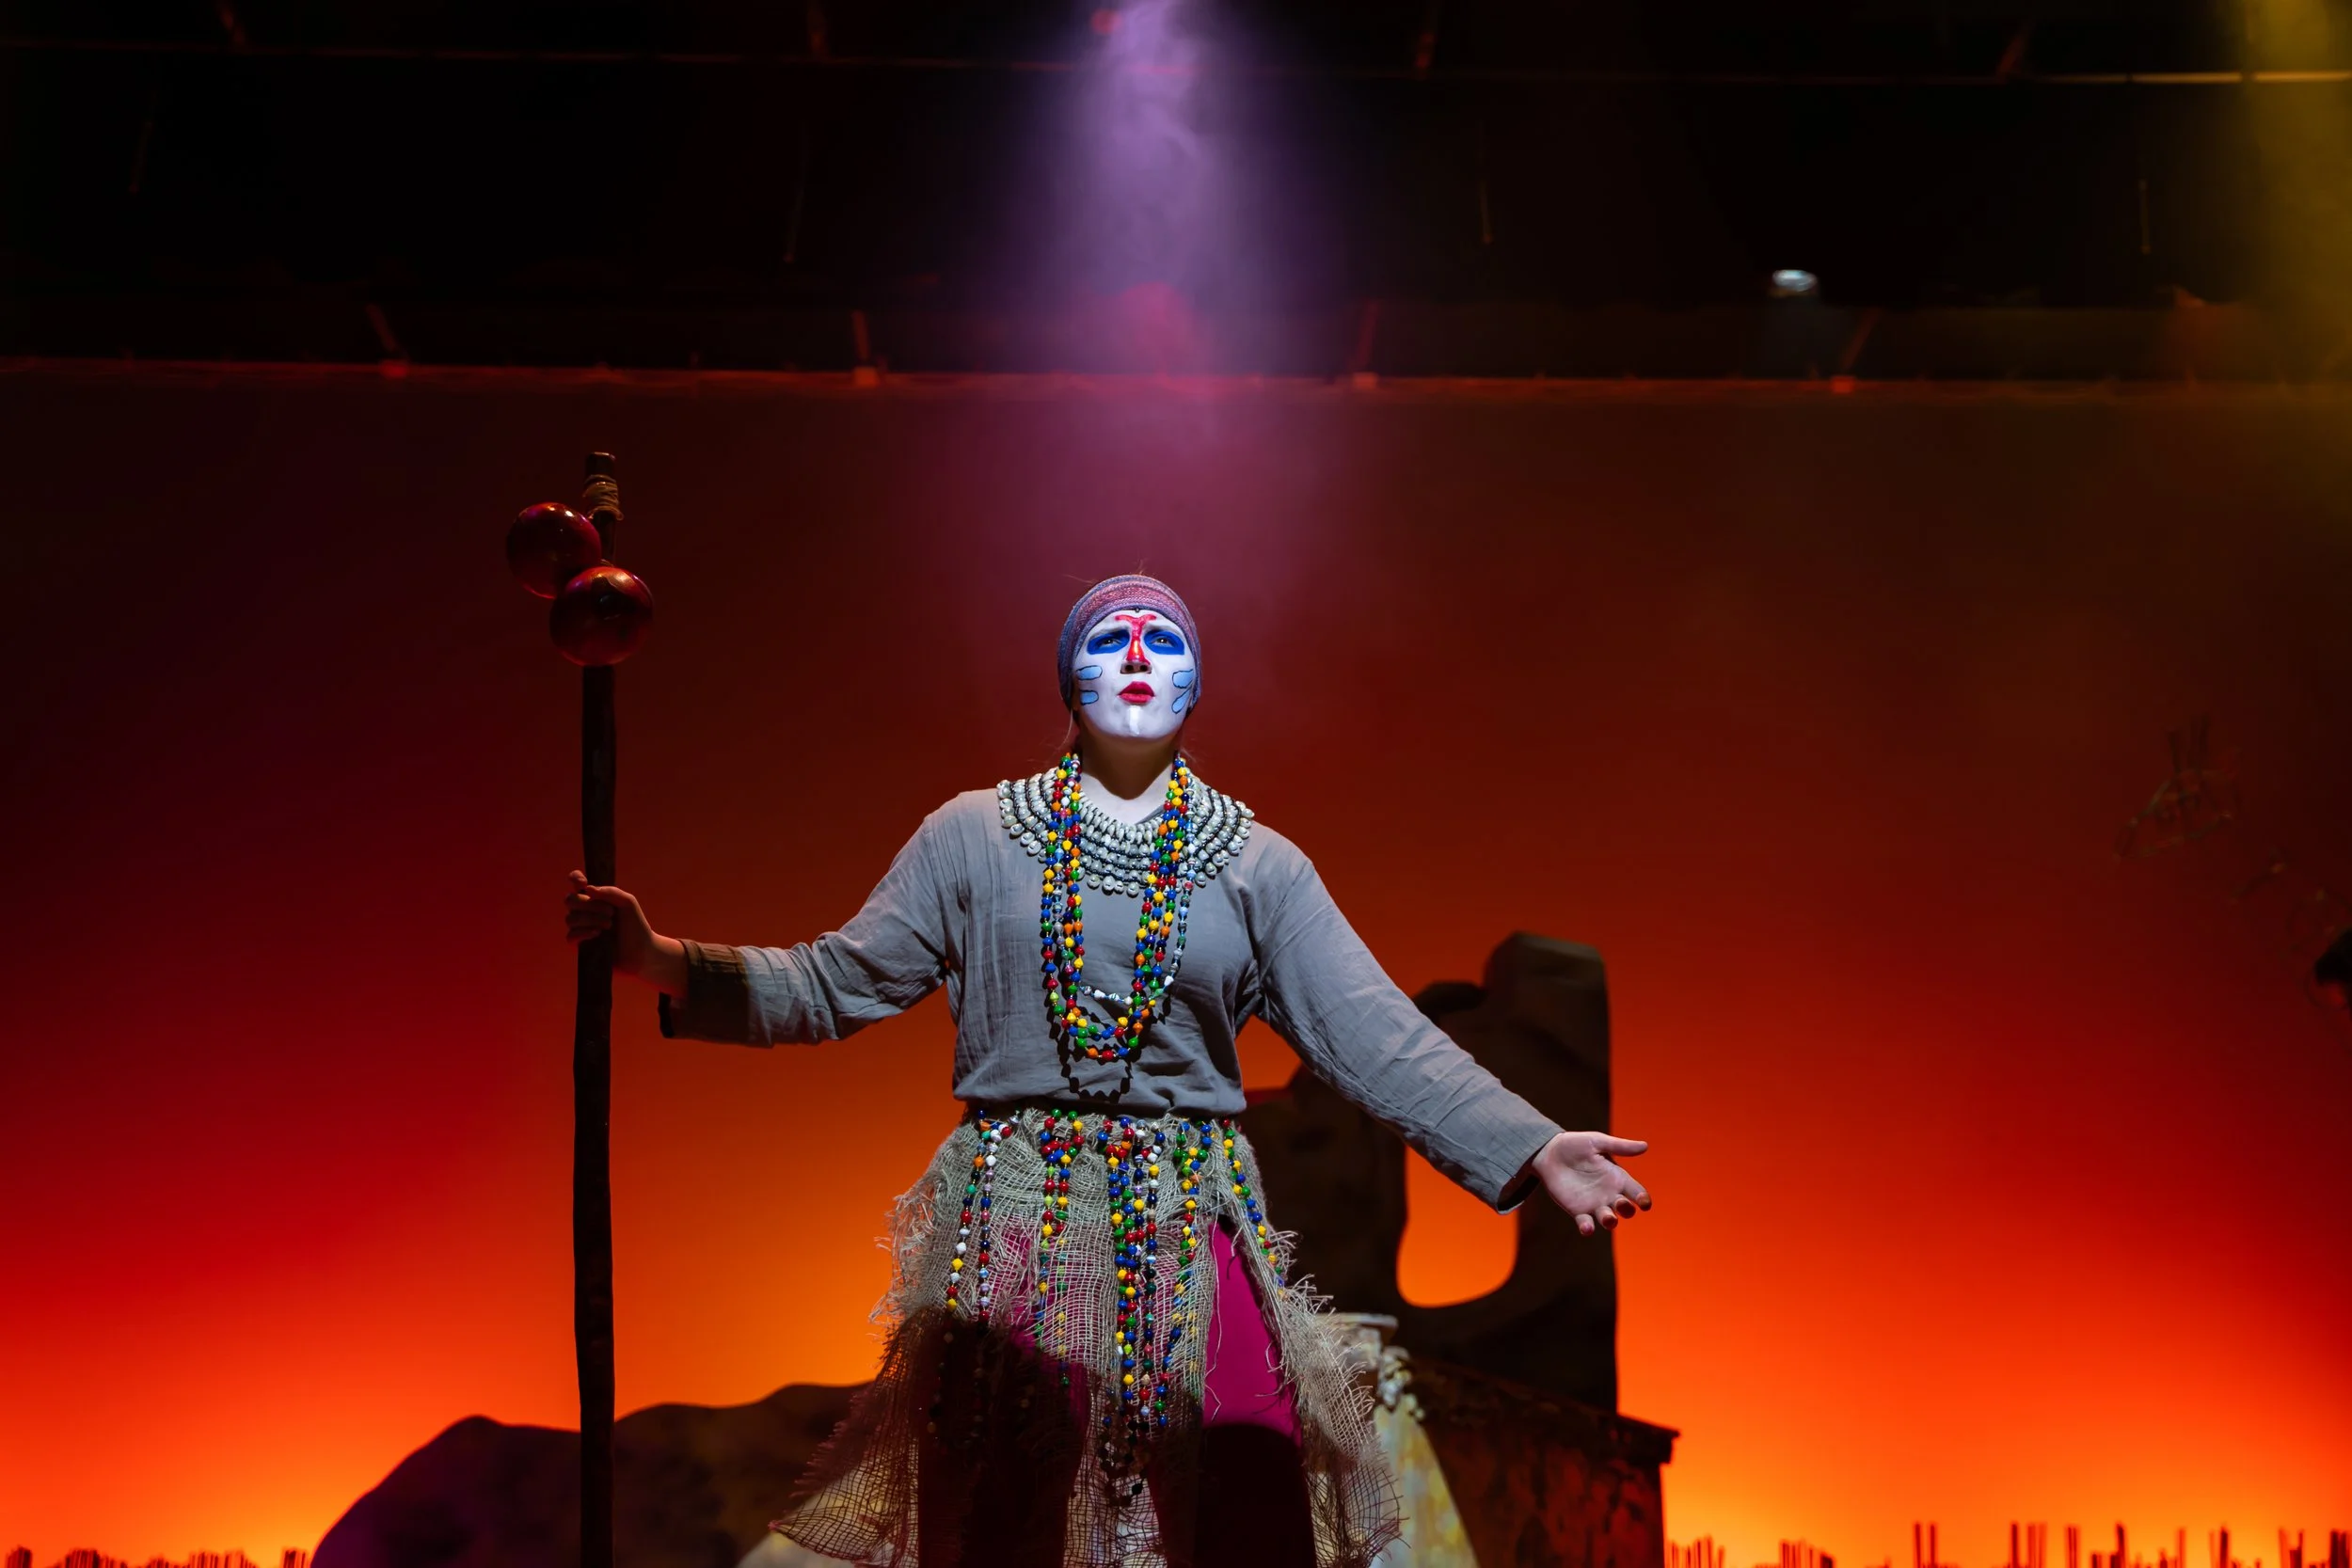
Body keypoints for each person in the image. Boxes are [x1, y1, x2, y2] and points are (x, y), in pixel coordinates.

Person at [563, 574, 1653, 1568]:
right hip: (1019, 1201)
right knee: (1003, 1504)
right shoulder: (974, 836)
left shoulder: (1254, 862)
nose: (1137, 652)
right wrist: (663, 959)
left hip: (1187, 1209)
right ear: (1070, 678)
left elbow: (1373, 1032)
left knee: (1250, 1471)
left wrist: (1532, 1145)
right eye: (1111, 638)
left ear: (1193, 683)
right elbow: (835, 979)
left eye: (1162, 639)